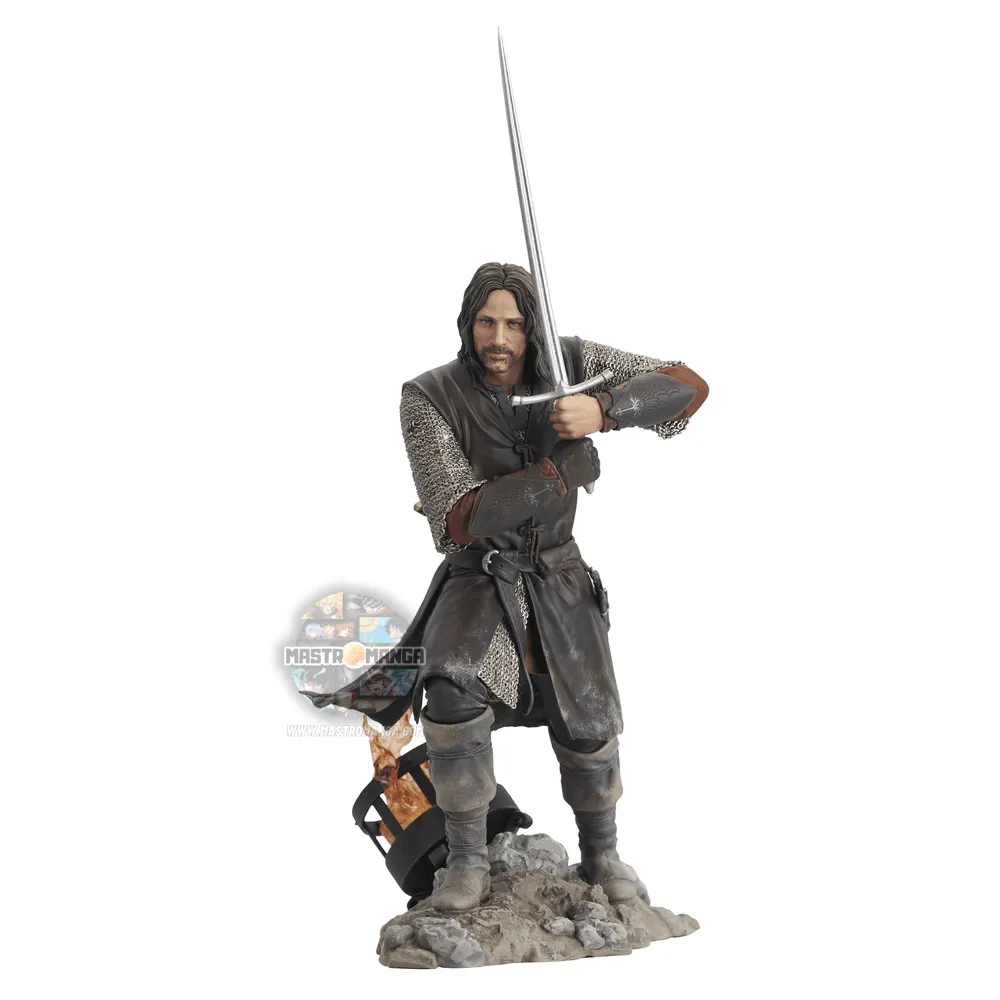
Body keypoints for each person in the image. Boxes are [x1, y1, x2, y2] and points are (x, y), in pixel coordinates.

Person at [358, 261, 708, 911]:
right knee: (452, 694)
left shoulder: (571, 364)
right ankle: (466, 860)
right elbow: (458, 518)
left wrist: (604, 408)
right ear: (467, 324)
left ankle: (602, 852)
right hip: (479, 578)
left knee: (590, 716)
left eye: (515, 324)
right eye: (486, 322)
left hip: (558, 574)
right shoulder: (430, 396)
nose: (500, 338)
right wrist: (555, 475)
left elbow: (687, 387)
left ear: (533, 328)